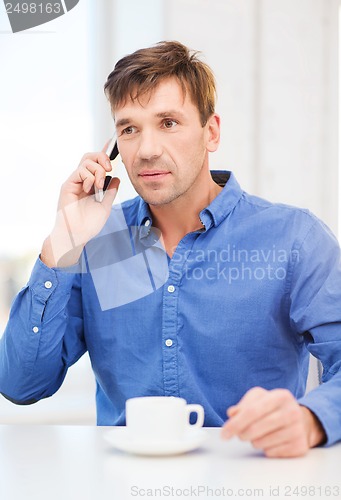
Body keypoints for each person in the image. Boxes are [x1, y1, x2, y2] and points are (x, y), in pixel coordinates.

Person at [0, 41, 340, 458]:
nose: (146, 150)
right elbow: (21, 383)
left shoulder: (293, 239)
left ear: (211, 131)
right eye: (129, 129)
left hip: (248, 481)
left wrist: (311, 420)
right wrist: (62, 244)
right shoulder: (98, 242)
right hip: (120, 484)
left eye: (168, 122)